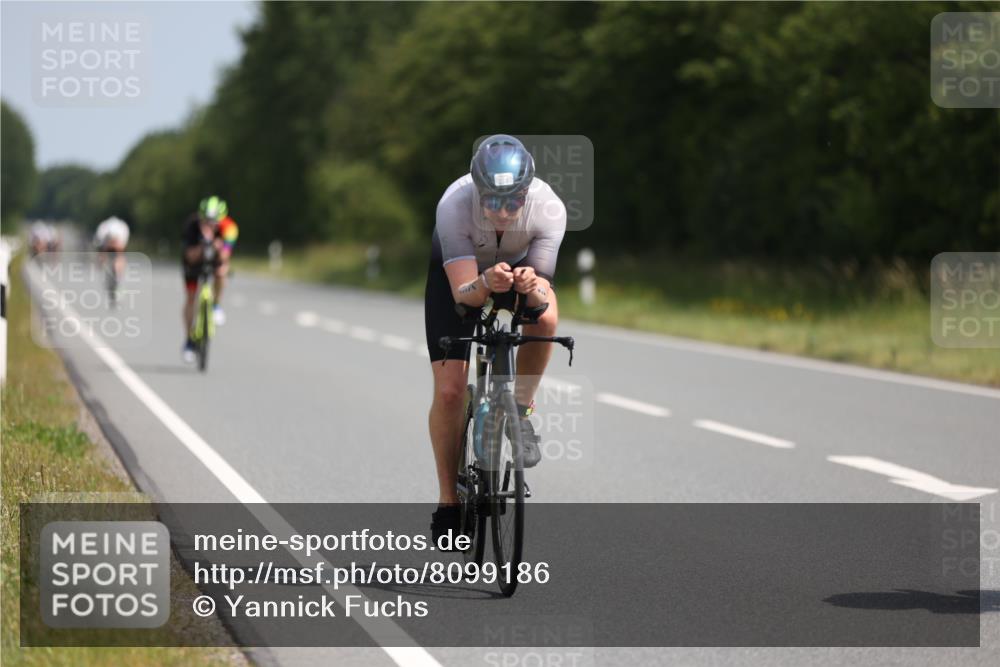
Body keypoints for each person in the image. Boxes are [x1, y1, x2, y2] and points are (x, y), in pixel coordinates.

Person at [424, 134, 566, 539]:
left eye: (513, 201)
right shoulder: (453, 205)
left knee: (547, 320)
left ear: (527, 192)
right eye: (492, 201)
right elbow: (463, 298)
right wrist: (486, 281)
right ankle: (448, 501)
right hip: (462, 274)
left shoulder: (549, 208)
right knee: (450, 392)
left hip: (519, 269)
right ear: (477, 191)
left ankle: (519, 412)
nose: (503, 212)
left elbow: (540, 299)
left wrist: (530, 283)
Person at [180, 196, 239, 363]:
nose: (211, 224)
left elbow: (225, 255)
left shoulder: (229, 228)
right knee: (191, 298)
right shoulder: (191, 226)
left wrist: (217, 247)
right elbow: (190, 257)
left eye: (214, 222)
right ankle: (189, 340)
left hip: (215, 259)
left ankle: (216, 305)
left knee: (222, 271)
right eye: (207, 221)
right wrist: (204, 244)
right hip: (193, 261)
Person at [93, 216, 130, 295]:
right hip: (110, 241)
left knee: (119, 257)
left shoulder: (106, 228)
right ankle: (116, 275)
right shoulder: (104, 229)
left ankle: (117, 275)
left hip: (117, 239)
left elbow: (121, 247)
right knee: (116, 257)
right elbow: (100, 245)